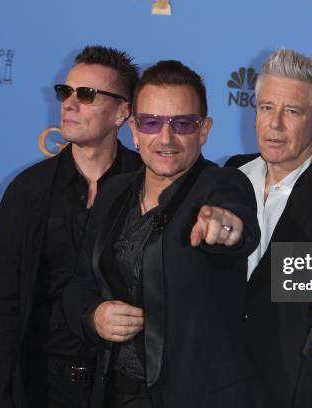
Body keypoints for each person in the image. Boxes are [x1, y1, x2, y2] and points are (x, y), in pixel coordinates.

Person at [63, 60, 262, 408]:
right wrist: (94, 315)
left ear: (204, 130)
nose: (166, 138)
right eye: (152, 123)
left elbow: (239, 227)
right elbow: (80, 285)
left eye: (182, 124)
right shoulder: (114, 193)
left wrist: (226, 228)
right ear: (135, 130)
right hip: (115, 393)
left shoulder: (222, 185)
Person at [0, 45, 143, 408]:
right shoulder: (27, 191)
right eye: (65, 92)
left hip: (125, 387)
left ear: (122, 112)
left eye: (86, 94)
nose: (69, 103)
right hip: (41, 386)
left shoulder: (147, 185)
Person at [225, 48, 312, 408]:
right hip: (214, 381)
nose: (275, 124)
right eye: (267, 107)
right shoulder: (228, 177)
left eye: (292, 111)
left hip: (289, 390)